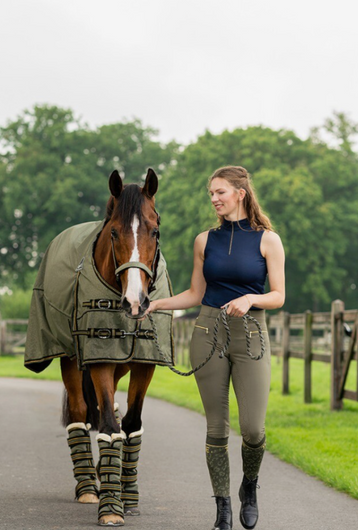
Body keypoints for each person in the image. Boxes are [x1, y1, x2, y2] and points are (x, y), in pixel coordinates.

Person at [145, 165, 285, 530]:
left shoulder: (268, 239)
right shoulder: (204, 241)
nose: (214, 199)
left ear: (240, 193)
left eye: (220, 192)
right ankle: (222, 508)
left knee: (253, 429)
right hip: (208, 332)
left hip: (251, 335)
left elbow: (279, 296)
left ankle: (249, 486)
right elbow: (195, 294)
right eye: (211, 193)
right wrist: (158, 304)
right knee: (216, 428)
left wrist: (252, 297)